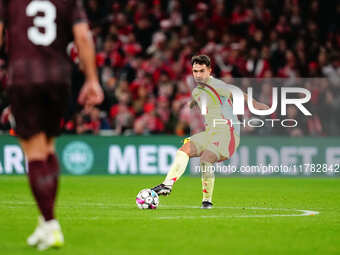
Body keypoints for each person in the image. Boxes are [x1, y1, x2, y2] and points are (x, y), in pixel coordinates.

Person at [0, 0, 103, 250]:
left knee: (34, 153)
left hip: (23, 76)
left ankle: (50, 223)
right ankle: (43, 222)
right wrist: (91, 79)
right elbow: (83, 37)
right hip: (59, 79)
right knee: (48, 149)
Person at [152, 55, 268, 209]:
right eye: (195, 71)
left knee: (206, 159)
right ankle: (167, 185)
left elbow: (237, 94)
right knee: (184, 149)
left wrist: (256, 104)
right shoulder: (197, 91)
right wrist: (191, 103)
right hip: (211, 133)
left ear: (209, 71)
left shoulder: (217, 85)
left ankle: (207, 201)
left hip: (228, 133)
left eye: (201, 71)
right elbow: (199, 98)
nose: (198, 75)